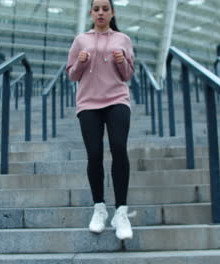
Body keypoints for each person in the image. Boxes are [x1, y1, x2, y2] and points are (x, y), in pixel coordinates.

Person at [66, 0, 135, 240]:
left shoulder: (123, 39)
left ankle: (121, 213)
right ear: (91, 13)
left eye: (105, 9)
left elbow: (127, 75)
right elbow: (71, 75)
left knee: (118, 148)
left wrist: (121, 60)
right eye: (97, 9)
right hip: (88, 103)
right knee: (94, 154)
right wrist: (80, 62)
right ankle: (99, 209)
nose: (101, 12)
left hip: (117, 99)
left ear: (112, 12)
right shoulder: (80, 40)